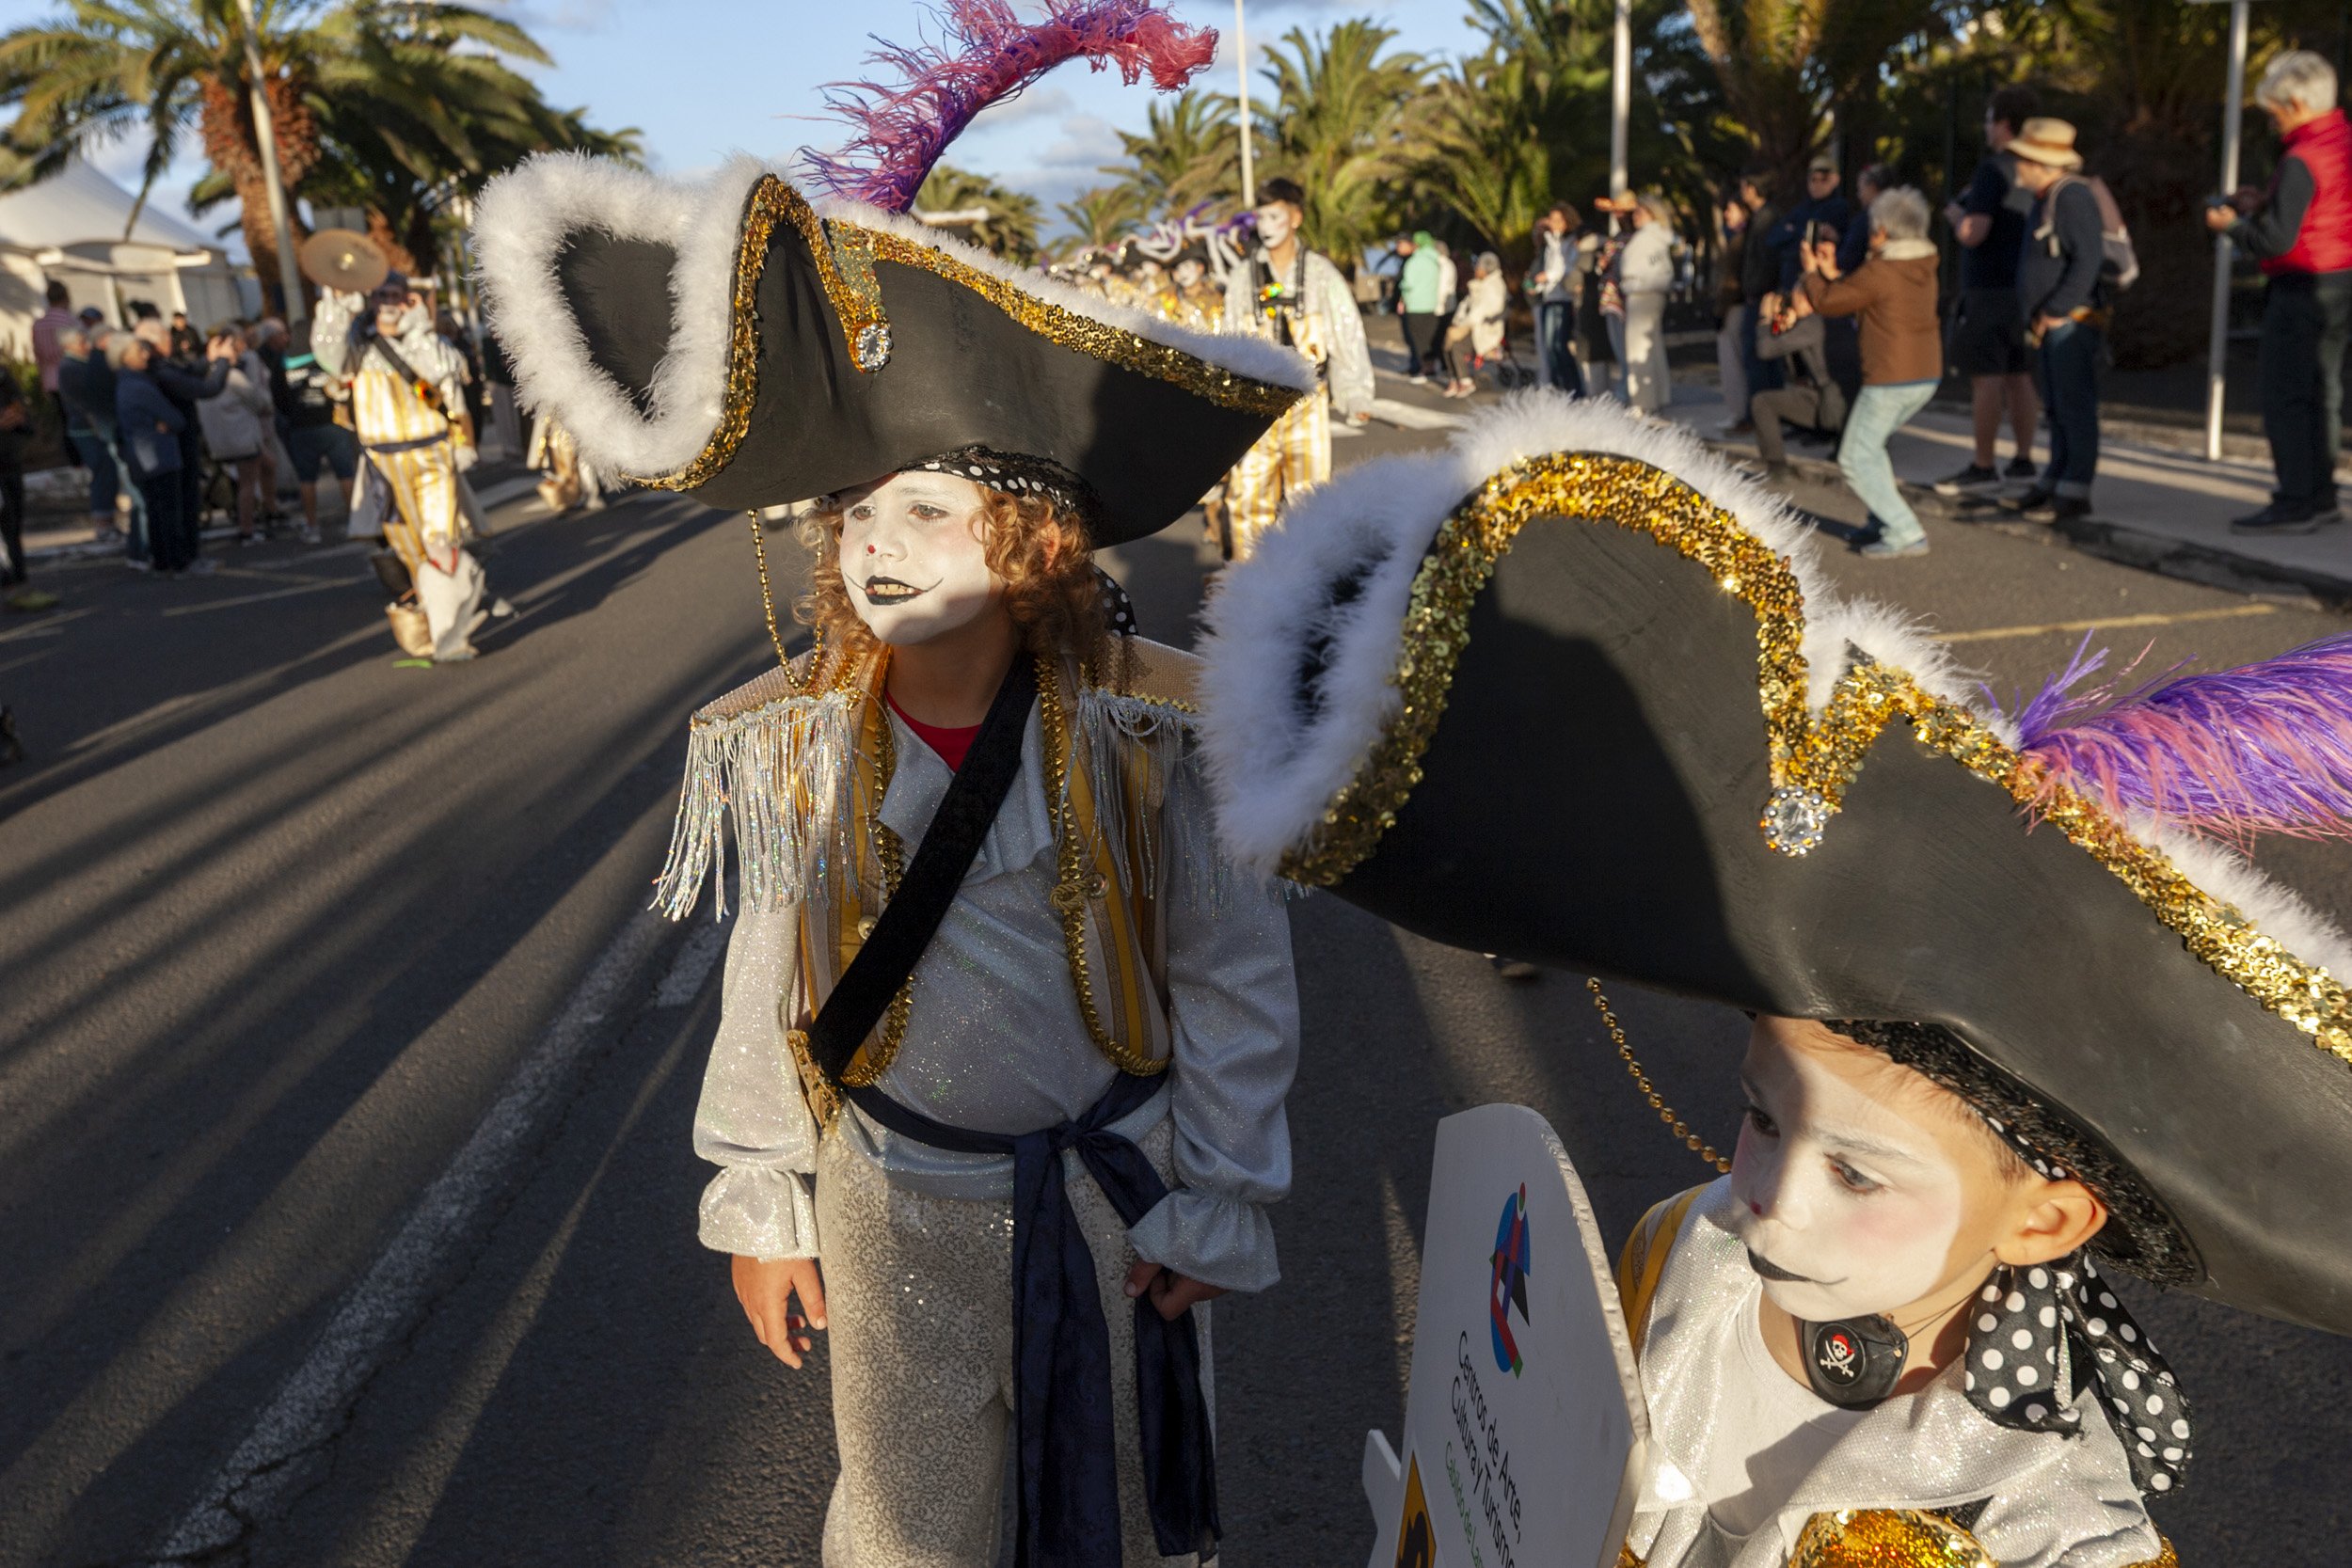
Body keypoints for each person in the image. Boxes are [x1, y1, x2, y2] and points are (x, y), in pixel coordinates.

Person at [1198, 389, 2352, 1568]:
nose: (1769, 1194)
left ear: (2044, 1216)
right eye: (1760, 1112)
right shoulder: (1681, 1248)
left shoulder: (2054, 1522)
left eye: (1856, 1167)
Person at [475, 6, 1311, 1559]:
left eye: (929, 508)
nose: (878, 542)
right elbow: (769, 972)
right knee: (910, 1516)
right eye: (860, 508)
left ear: (1035, 544)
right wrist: (763, 1196)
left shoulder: (1150, 729)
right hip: (890, 1195)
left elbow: (1233, 968)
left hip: (1109, 1201)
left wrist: (1220, 1195)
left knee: (1123, 1496)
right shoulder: (792, 738)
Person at [2208, 50, 2352, 535]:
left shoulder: (2300, 157)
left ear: (2295, 102)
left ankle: (2295, 499)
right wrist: (2264, 203)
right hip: (2341, 277)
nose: (2271, 120)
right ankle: (2321, 495)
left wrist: (2233, 225)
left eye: (2274, 110)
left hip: (2301, 283)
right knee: (2323, 392)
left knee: (2286, 395)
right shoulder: (2340, 141)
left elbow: (2276, 240)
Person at [313, 269, 491, 660]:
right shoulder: (358, 347)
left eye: (395, 295)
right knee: (409, 548)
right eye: (381, 296)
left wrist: (418, 329)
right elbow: (329, 359)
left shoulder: (426, 340)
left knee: (441, 541)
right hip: (383, 462)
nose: (388, 303)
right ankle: (437, 620)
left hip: (431, 454)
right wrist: (335, 304)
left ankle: (450, 634)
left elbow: (448, 382)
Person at [1221, 174, 1375, 559]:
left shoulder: (1321, 273)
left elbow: (1346, 332)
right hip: (1256, 405)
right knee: (1247, 495)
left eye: (1276, 216)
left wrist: (1354, 392)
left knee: (1309, 497)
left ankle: (1307, 583)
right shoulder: (1243, 278)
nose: (1267, 226)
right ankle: (1248, 582)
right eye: (1262, 217)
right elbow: (1227, 338)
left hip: (1307, 403)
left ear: (1295, 218)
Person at [1799, 187, 1944, 556]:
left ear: (1881, 230)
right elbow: (1862, 296)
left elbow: (1831, 302)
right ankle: (1881, 521)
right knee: (1871, 447)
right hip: (1923, 374)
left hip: (1890, 377)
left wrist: (1812, 273)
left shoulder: (1882, 268)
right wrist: (1834, 273)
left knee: (1854, 456)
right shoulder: (1920, 265)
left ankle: (1904, 530)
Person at [1936, 86, 2043, 497]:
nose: (1984, 127)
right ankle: (2023, 458)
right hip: (2024, 286)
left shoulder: (1992, 170)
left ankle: (1983, 464)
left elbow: (1973, 232)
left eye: (1988, 119)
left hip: (1987, 288)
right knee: (2020, 376)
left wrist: (1956, 215)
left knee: (1987, 379)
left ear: (2002, 124)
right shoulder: (2034, 169)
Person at [2007, 119, 2106, 524]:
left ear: (2041, 162)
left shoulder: (2072, 197)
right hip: (2053, 322)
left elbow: (2088, 261)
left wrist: (2054, 309)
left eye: (2023, 159)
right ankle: (2055, 480)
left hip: (2071, 322)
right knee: (2058, 408)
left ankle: (2074, 492)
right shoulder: (2048, 197)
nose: (2017, 165)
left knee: (2074, 406)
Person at [133, 316, 232, 556]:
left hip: (171, 442)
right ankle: (184, 553)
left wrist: (208, 359)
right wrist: (221, 362)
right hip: (176, 443)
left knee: (173, 501)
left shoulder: (159, 368)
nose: (172, 341)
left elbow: (185, 373)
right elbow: (203, 388)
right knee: (183, 499)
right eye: (167, 337)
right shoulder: (159, 371)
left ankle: (172, 555)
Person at [109, 333, 204, 577]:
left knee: (155, 509)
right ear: (124, 356)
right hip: (157, 454)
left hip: (143, 454)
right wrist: (166, 423)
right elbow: (175, 419)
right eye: (138, 350)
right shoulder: (139, 387)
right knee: (169, 509)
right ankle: (177, 560)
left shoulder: (126, 384)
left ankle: (162, 560)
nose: (145, 354)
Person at [1746, 285, 1854, 479]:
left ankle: (1777, 468)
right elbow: (1795, 374)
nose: (1778, 319)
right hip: (1841, 401)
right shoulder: (1828, 319)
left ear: (1803, 300)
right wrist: (1782, 327)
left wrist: (1764, 319)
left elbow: (1765, 351)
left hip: (1835, 406)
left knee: (1762, 402)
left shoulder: (1811, 324)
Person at [193, 323, 279, 546]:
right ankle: (247, 528)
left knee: (268, 465)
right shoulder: (232, 377)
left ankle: (270, 509)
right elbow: (259, 401)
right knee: (247, 484)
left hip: (219, 439)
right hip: (240, 438)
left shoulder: (203, 377)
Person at [56, 325, 132, 552]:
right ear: (70, 346)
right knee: (103, 472)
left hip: (93, 426)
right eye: (82, 342)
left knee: (107, 472)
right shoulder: (70, 367)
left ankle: (107, 521)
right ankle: (103, 524)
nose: (86, 346)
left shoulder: (79, 365)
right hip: (87, 429)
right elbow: (83, 401)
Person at [1619, 194, 1677, 413]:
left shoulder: (1646, 239)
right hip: (1653, 294)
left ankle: (1643, 401)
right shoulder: (1659, 239)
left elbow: (1634, 271)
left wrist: (1630, 285)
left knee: (1638, 348)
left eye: (1639, 212)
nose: (1635, 216)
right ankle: (1659, 395)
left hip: (1642, 294)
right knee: (1653, 348)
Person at [1765, 154, 1852, 293]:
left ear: (1835, 180)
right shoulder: (1802, 208)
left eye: (1823, 180)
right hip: (1791, 282)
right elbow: (1773, 237)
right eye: (1813, 180)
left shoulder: (1840, 207)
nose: (1817, 185)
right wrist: (1800, 233)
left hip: (1818, 285)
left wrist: (1795, 232)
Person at [1737, 168, 1785, 411]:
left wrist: (1766, 292)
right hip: (1756, 294)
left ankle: (1760, 413)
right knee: (1761, 358)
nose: (1741, 191)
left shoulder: (1766, 218)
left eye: (1745, 186)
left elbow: (1766, 260)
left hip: (1762, 297)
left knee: (1760, 357)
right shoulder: (1757, 218)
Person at [1528, 203, 1587, 396]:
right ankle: (1558, 387)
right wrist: (1538, 286)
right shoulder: (1550, 243)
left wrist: (1549, 276)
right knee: (1549, 347)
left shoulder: (1570, 243)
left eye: (1557, 220)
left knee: (1559, 345)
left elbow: (1567, 267)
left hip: (1563, 299)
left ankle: (1574, 390)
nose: (1552, 224)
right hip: (1549, 297)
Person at [1446, 250, 1506, 398]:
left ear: (1486, 269)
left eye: (1478, 266)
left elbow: (1479, 313)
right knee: (1447, 343)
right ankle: (1455, 378)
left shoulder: (1493, 287)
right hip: (1473, 328)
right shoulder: (1479, 285)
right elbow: (1465, 306)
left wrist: (1462, 327)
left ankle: (1465, 382)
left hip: (1485, 331)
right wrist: (1457, 322)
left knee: (1456, 345)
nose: (1476, 269)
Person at [1713, 196, 1751, 435]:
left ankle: (1739, 414)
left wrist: (1721, 308)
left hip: (1734, 307)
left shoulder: (1741, 242)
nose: (1726, 214)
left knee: (1733, 364)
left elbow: (1731, 280)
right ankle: (1738, 413)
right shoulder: (1735, 239)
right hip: (1732, 306)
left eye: (1731, 208)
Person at [1396, 230, 1441, 382]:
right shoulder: (1436, 259)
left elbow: (1408, 284)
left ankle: (1425, 370)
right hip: (1433, 305)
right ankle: (1429, 368)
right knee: (1430, 339)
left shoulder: (1414, 261)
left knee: (1419, 341)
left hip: (1416, 306)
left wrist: (1402, 296)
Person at [30, 279, 75, 429]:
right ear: (66, 297)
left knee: (64, 424)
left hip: (50, 380)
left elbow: (38, 355)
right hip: (71, 377)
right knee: (78, 422)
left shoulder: (38, 324)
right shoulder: (68, 319)